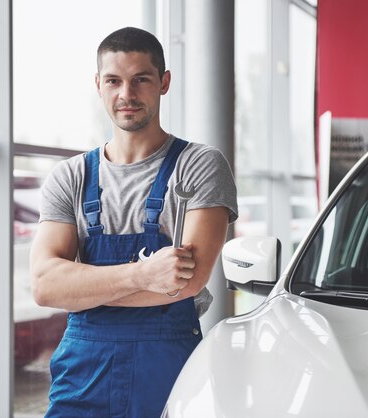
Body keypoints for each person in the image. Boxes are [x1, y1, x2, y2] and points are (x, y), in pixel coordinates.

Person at [30, 27, 238, 418]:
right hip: (81, 377)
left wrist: (82, 285)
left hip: (169, 372)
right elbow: (45, 286)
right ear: (98, 85)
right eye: (114, 81)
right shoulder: (70, 176)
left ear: (164, 82)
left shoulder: (200, 166)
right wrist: (144, 275)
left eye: (140, 79)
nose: (126, 94)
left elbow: (186, 283)